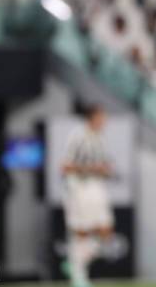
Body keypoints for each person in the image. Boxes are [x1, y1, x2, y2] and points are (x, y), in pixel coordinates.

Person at [62, 105, 114, 287]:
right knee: (82, 231)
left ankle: (74, 262)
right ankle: (79, 276)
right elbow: (65, 166)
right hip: (79, 188)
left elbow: (105, 165)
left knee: (105, 231)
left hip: (97, 187)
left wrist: (106, 170)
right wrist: (92, 169)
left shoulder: (100, 139)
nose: (104, 122)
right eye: (101, 117)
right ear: (92, 118)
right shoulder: (78, 137)